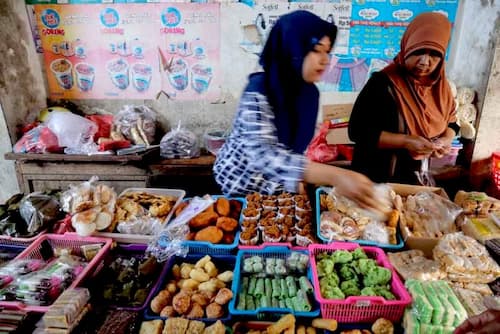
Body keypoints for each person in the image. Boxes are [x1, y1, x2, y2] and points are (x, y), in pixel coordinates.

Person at [213, 10, 381, 209]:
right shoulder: (259, 91)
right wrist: (337, 175)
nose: (326, 59)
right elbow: (262, 154)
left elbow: (293, 148)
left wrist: (296, 180)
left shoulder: (309, 95)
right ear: (293, 49)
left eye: (327, 51)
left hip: (274, 186)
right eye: (317, 50)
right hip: (239, 185)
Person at [348, 12, 460, 184]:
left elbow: (453, 123)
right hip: (374, 179)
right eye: (419, 51)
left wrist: (446, 139)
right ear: (407, 47)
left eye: (434, 54)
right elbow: (357, 131)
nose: (425, 61)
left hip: (414, 179)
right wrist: (405, 141)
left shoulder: (441, 88)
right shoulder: (382, 83)